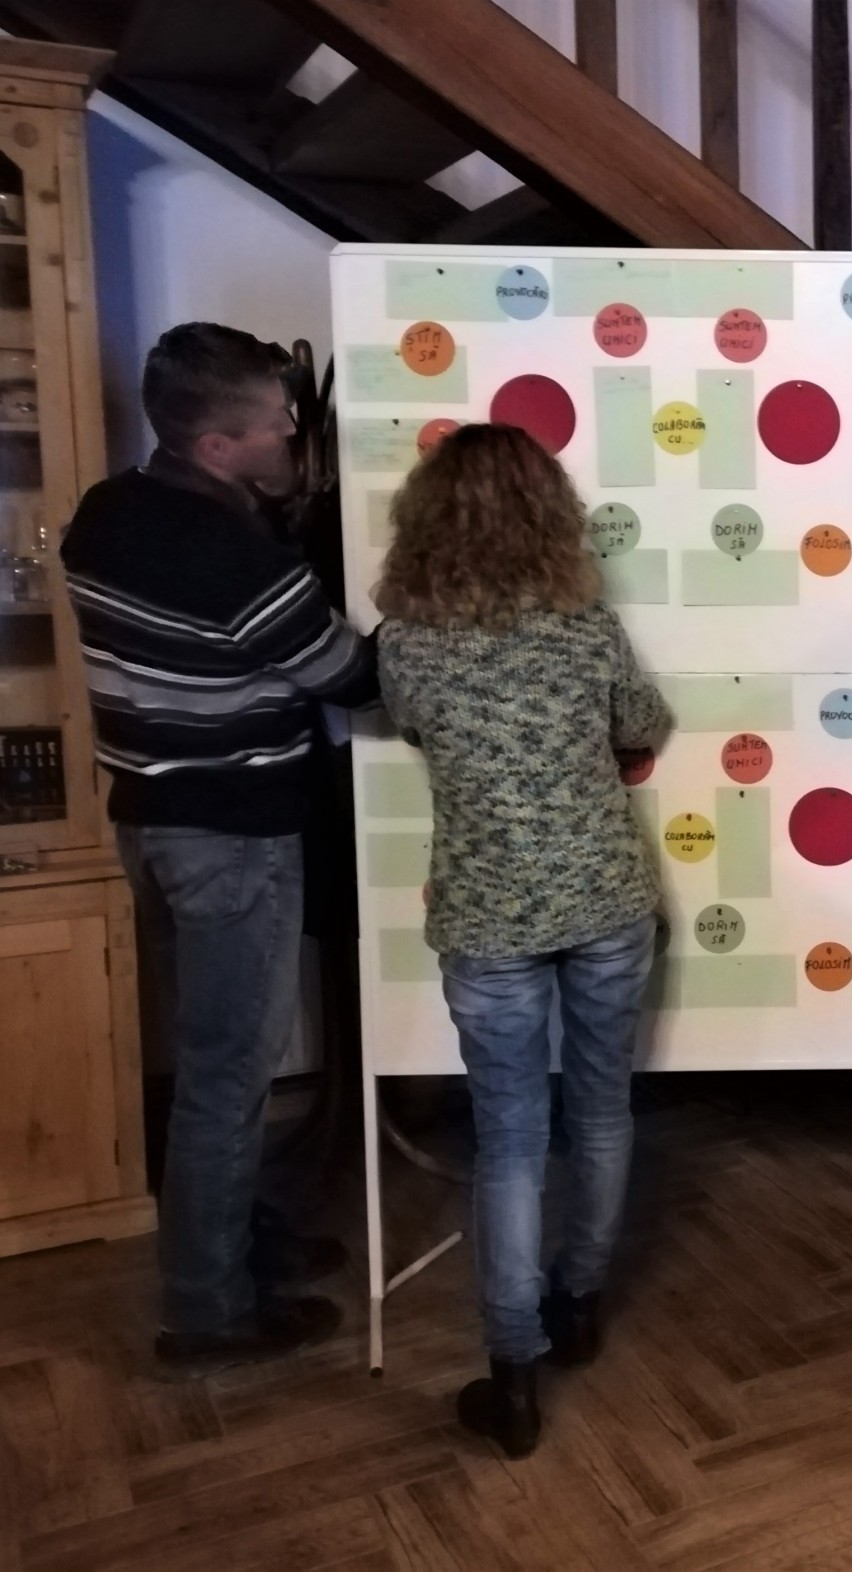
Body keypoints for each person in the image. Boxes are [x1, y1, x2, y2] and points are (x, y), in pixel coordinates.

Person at [61, 323, 379, 1369]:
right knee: (226, 1076)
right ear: (215, 446)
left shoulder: (105, 511)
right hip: (232, 837)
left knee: (210, 1060)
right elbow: (349, 676)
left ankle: (241, 1243)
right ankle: (207, 1312)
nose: (291, 434)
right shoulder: (239, 560)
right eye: (275, 424)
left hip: (150, 822)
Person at [375, 422, 671, 1459]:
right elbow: (642, 723)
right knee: (600, 1109)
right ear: (552, 515)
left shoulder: (404, 641)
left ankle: (512, 1376)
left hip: (487, 916)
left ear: (426, 520)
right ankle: (578, 1305)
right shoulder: (584, 626)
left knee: (507, 1137)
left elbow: (413, 729)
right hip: (603, 901)